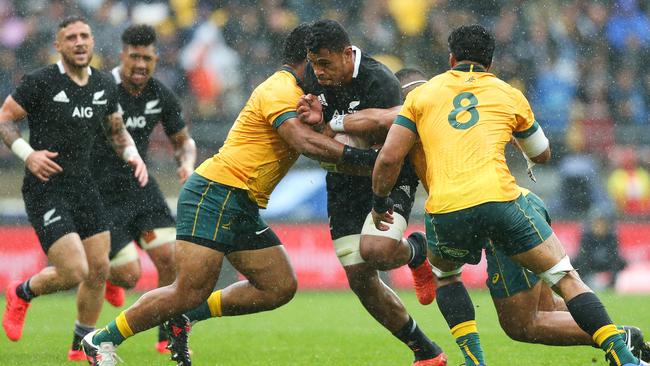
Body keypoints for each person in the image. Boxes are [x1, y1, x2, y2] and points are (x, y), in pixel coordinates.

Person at [82, 23, 388, 366]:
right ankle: (101, 339)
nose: (322, 73)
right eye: (318, 64)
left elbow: (321, 134)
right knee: (187, 289)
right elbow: (304, 143)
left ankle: (187, 315)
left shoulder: (301, 95)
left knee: (278, 286)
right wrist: (369, 160)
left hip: (242, 200)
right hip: (215, 190)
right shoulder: (279, 88)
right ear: (306, 60)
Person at [371, 24, 648, 366]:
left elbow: (387, 158)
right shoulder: (505, 92)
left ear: (450, 58)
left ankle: (475, 361)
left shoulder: (421, 100)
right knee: (557, 288)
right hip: (505, 203)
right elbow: (543, 153)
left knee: (469, 289)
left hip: (448, 209)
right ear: (490, 63)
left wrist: (378, 200)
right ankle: (624, 351)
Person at [295, 20, 445, 366]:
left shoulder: (380, 80)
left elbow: (386, 145)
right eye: (314, 64)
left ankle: (416, 250)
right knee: (360, 277)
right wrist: (322, 127)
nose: (318, 73)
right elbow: (314, 137)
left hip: (388, 176)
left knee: (376, 251)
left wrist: (331, 132)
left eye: (326, 64)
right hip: (344, 187)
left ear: (348, 54)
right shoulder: (311, 81)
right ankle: (426, 352)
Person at [0, 16, 147, 357]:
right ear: (59, 45)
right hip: (45, 186)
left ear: (92, 42)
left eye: (85, 36)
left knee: (97, 270)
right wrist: (27, 154)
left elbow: (115, 129)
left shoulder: (103, 84)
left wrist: (133, 155)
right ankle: (21, 292)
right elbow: (5, 118)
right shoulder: (41, 81)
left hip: (85, 186)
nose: (80, 42)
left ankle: (82, 345)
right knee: (74, 271)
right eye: (72, 38)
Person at [81, 24, 197, 358]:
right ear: (122, 55)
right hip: (102, 194)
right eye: (134, 57)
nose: (140, 64)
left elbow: (183, 141)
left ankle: (167, 333)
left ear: (156, 58)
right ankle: (109, 278)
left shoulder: (160, 93)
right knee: (130, 274)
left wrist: (186, 163)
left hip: (141, 189)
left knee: (172, 259)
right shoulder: (102, 88)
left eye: (147, 57)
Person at [573, 209, 627, 289]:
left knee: (621, 262)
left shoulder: (611, 237)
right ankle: (583, 283)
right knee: (575, 262)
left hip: (606, 262)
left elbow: (614, 255)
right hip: (590, 262)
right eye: (597, 223)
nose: (599, 226)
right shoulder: (586, 236)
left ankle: (611, 284)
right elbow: (583, 255)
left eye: (602, 223)